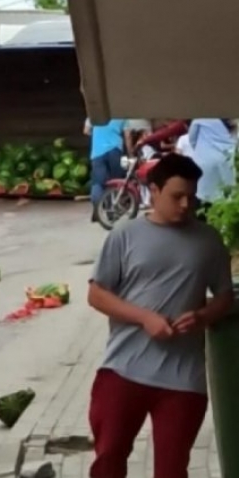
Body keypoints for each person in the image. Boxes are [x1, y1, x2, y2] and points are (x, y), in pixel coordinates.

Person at [87, 153, 233, 478]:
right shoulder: (124, 235)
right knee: (108, 459)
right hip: (123, 368)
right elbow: (96, 294)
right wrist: (144, 318)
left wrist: (202, 316)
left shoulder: (208, 241)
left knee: (172, 469)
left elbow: (225, 297)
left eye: (191, 197)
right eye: (177, 196)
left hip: (183, 378)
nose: (185, 205)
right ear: (153, 190)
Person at [188, 119, 237, 209]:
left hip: (204, 160)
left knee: (204, 196)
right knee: (229, 194)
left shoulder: (200, 118)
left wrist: (200, 152)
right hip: (228, 158)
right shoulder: (231, 121)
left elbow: (192, 139)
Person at [85, 117, 126, 220]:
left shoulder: (94, 114)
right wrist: (130, 152)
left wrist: (98, 136)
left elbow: (86, 131)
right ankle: (112, 211)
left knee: (98, 183)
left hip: (98, 151)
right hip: (115, 150)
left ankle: (97, 210)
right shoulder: (121, 114)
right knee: (115, 182)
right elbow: (128, 135)